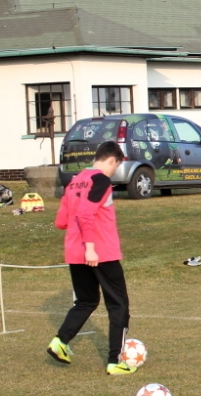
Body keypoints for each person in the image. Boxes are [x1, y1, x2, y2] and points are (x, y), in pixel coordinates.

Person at [47, 140, 137, 374]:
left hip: (75, 253)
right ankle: (115, 361)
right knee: (119, 305)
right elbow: (86, 213)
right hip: (99, 253)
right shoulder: (101, 180)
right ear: (110, 160)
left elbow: (61, 221)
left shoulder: (75, 181)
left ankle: (60, 341)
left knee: (86, 301)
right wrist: (90, 246)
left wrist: (81, 239)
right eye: (115, 166)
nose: (113, 172)